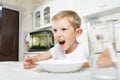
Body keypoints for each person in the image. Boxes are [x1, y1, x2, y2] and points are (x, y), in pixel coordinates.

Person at [24, 10, 90, 69]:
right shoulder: (57, 49)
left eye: (63, 29)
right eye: (55, 30)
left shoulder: (85, 48)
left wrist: (87, 64)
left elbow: (98, 61)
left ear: (77, 33)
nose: (57, 35)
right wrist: (31, 60)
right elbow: (38, 58)